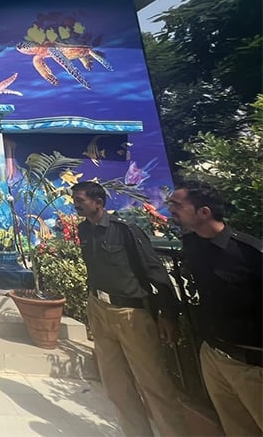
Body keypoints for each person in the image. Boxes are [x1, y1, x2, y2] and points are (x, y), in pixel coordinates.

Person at [72, 180, 187, 436]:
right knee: (117, 387)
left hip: (131, 314)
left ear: (98, 202)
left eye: (80, 200)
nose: (76, 205)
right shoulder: (85, 231)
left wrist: (168, 315)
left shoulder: (125, 231)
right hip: (100, 308)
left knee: (154, 385)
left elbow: (155, 272)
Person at [168, 180, 262, 436]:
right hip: (214, 355)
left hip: (251, 366)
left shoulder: (251, 254)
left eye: (177, 204)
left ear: (204, 212)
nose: (170, 208)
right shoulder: (193, 243)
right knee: (235, 429)